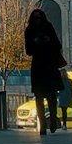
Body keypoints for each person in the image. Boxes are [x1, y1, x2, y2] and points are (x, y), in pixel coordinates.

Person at [25, 7, 66, 136]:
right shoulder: (29, 31)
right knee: (39, 98)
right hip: (40, 66)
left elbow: (58, 45)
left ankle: (53, 120)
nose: (38, 21)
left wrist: (48, 41)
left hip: (48, 65)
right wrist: (35, 42)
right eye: (35, 18)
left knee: (51, 97)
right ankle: (43, 124)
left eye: (39, 18)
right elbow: (28, 51)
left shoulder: (48, 28)